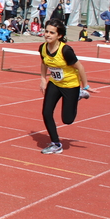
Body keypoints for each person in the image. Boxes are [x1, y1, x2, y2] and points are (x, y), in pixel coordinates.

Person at [38, 19, 95, 154]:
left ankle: (79, 94)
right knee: (46, 112)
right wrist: (42, 79)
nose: (48, 35)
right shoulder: (42, 47)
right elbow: (43, 63)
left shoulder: (66, 50)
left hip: (71, 85)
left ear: (59, 36)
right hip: (55, 83)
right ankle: (56, 144)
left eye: (52, 33)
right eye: (46, 31)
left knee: (67, 120)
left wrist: (85, 86)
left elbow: (80, 67)